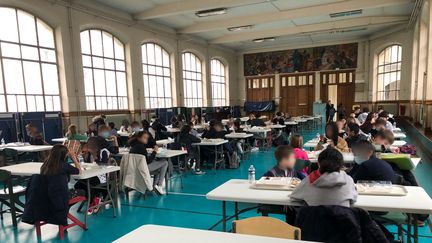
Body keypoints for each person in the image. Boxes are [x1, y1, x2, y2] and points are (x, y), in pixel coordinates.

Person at [290, 147, 358, 207]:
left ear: (318, 164)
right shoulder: (348, 180)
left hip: (315, 220)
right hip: (342, 220)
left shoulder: (309, 181)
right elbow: (354, 199)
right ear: (341, 165)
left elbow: (294, 197)